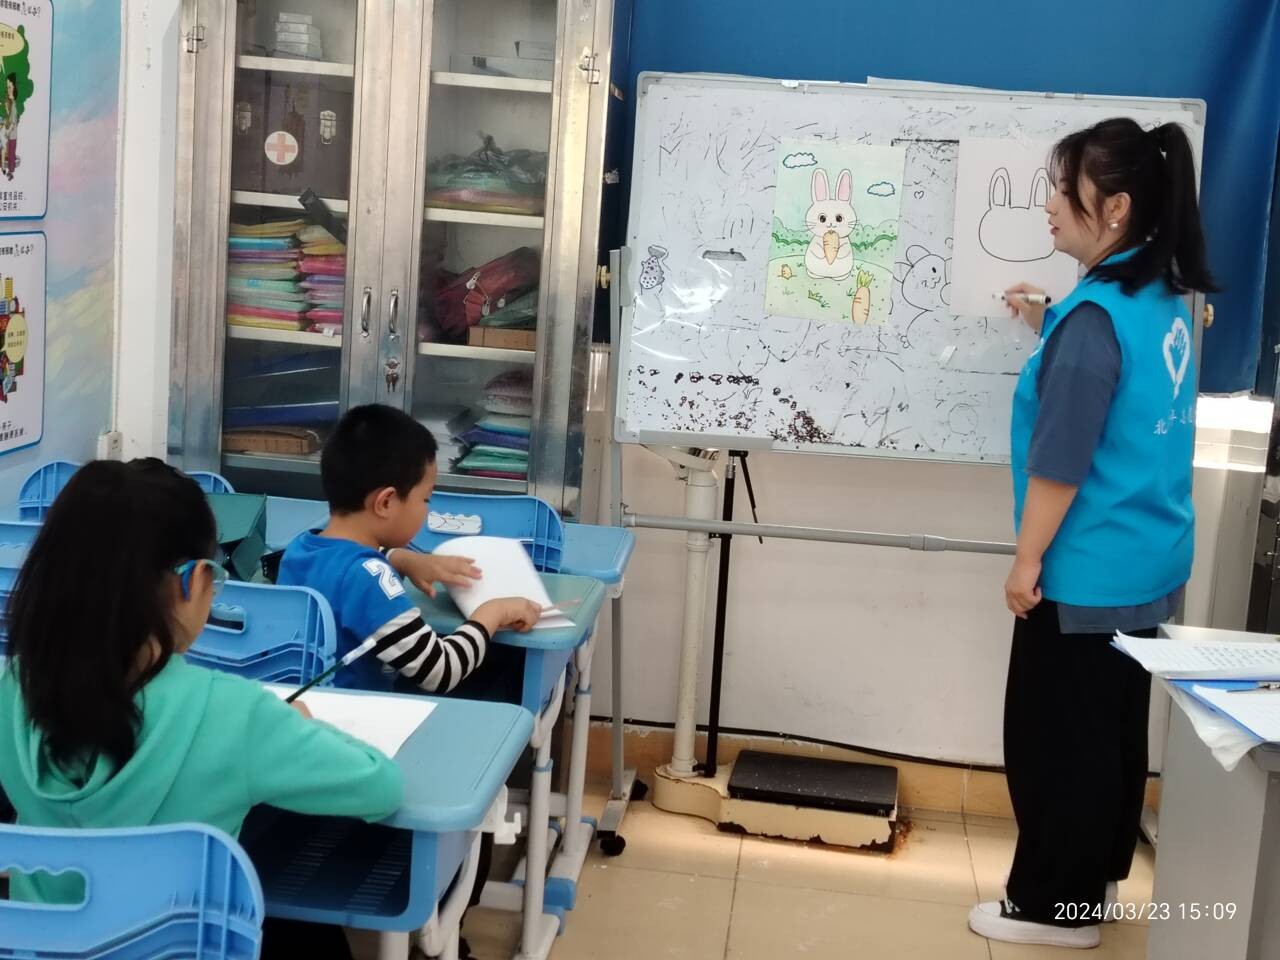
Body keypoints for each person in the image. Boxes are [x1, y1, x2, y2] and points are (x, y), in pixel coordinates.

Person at [966, 118, 1218, 950]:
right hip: (1147, 563)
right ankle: (1093, 888)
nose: (1047, 203)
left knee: (1054, 742)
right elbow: (1122, 390)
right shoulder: (1163, 299)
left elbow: (1063, 461)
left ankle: (1051, 908)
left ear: (1114, 207)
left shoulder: (1091, 322)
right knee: (1109, 735)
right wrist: (1053, 325)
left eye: (1061, 186)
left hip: (1084, 572)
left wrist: (1026, 560)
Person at [0, 459, 402, 957]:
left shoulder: (13, 688)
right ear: (192, 580)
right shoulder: (235, 714)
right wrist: (300, 724)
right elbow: (380, 787)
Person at [277, 403, 542, 696]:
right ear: (386, 502)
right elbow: (440, 671)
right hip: (354, 717)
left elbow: (341, 568)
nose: (427, 509)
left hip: (302, 708)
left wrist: (400, 559)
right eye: (425, 499)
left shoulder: (300, 548)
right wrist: (491, 613)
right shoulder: (369, 578)